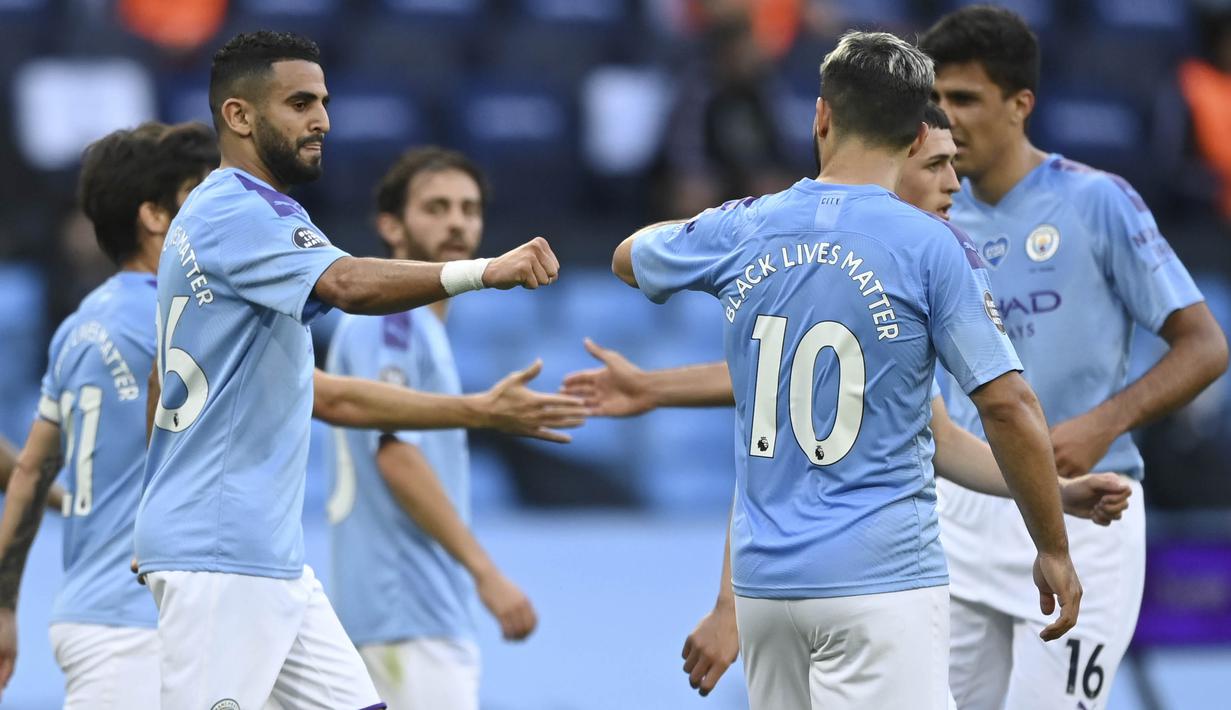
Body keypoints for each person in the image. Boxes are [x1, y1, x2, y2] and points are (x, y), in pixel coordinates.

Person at [0, 121, 580, 708]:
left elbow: (29, 471)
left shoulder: (80, 328)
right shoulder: (182, 307)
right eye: (191, 195)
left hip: (163, 583)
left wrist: (7, 601)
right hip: (172, 595)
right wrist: (478, 411)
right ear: (156, 217)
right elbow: (335, 394)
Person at [565, 102, 1129, 697]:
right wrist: (1053, 541)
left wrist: (1055, 491)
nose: (952, 184)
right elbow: (1004, 406)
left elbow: (850, 423)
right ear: (899, 154)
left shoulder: (791, 241)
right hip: (879, 580)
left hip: (772, 587)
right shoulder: (928, 252)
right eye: (937, 164)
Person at [133, 31, 561, 709]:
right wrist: (484, 272)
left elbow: (315, 396)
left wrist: (475, 410)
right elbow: (349, 285)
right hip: (221, 552)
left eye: (324, 102)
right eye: (300, 102)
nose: (324, 120)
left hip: (264, 554)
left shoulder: (218, 219)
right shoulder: (245, 212)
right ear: (239, 116)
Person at [919, 7, 1229, 709]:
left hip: (1088, 512)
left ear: (1019, 104)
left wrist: (1101, 424)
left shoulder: (1096, 203)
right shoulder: (929, 219)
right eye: (933, 101)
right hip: (965, 511)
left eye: (963, 99)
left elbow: (1205, 346)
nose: (944, 119)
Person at [327, 146, 543, 710]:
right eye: (437, 207)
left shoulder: (421, 327)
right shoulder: (392, 320)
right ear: (390, 226)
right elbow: (395, 453)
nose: (456, 221)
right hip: (405, 611)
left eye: (469, 209)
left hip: (405, 609)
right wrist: (486, 574)